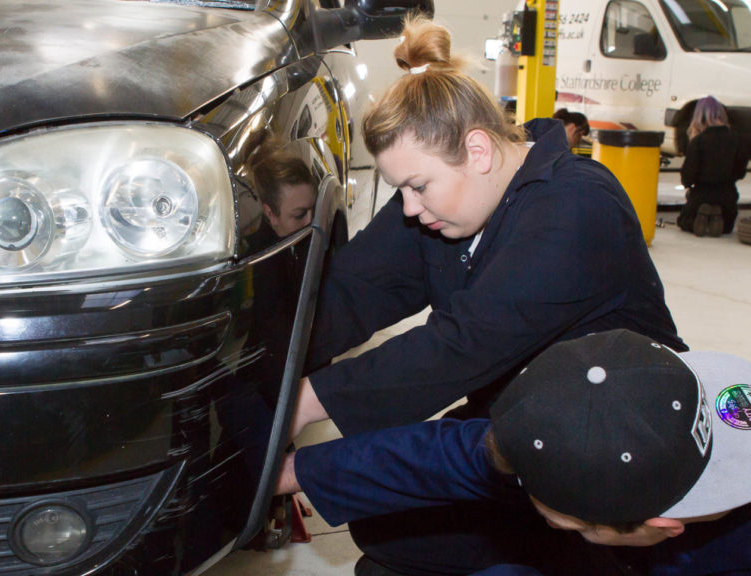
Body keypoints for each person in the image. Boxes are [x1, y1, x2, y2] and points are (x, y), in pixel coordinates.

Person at [291, 14, 685, 576]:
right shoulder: (444, 208)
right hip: (525, 423)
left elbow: (461, 346)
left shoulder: (578, 206)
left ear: (478, 150)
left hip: (615, 446)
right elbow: (353, 289)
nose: (407, 208)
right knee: (386, 527)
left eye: (416, 186)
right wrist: (261, 370)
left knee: (396, 554)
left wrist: (302, 404)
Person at [278, 329, 751, 575]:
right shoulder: (618, 418)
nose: (548, 516)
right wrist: (293, 471)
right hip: (640, 551)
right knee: (391, 530)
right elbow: (445, 454)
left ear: (659, 525)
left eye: (560, 520)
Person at [677, 95, 748, 237]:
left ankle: (700, 217)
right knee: (727, 228)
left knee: (683, 222)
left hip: (702, 193)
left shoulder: (698, 141)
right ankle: (719, 218)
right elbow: (740, 172)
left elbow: (688, 176)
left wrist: (689, 185)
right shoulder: (737, 139)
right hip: (727, 193)